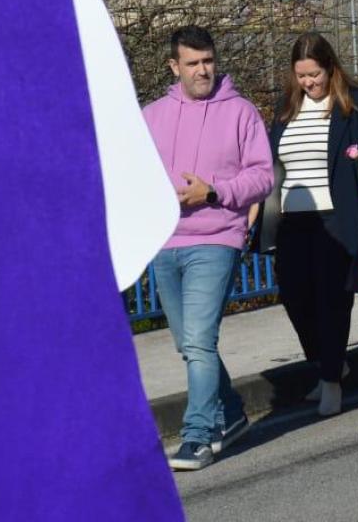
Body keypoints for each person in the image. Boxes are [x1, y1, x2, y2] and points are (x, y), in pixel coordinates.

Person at [143, 27, 276, 471]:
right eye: (193, 63)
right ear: (174, 67)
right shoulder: (152, 115)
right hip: (165, 243)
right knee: (188, 344)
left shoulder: (241, 112)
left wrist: (214, 192)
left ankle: (198, 434)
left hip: (216, 239)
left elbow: (263, 177)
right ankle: (233, 413)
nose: (203, 70)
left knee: (200, 342)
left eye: (209, 61)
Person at [263, 33, 358, 419]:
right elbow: (270, 167)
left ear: (330, 68)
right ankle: (331, 362)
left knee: (332, 301)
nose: (308, 83)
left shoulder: (357, 104)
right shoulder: (284, 109)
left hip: (337, 218)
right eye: (301, 76)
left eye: (314, 74)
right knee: (295, 296)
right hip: (293, 220)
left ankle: (330, 381)